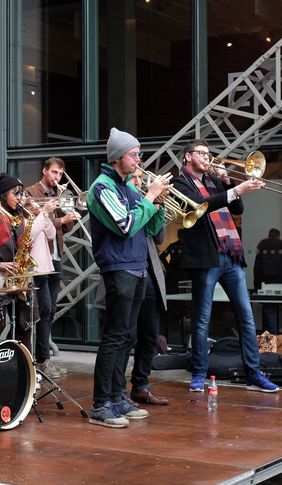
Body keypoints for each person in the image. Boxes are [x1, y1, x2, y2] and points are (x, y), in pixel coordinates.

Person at [170, 140, 279, 394]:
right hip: (207, 258)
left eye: (209, 154)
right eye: (202, 154)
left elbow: (236, 207)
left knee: (246, 317)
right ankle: (199, 374)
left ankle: (254, 373)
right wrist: (236, 190)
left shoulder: (213, 180)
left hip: (231, 255)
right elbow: (202, 205)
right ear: (188, 157)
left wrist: (229, 181)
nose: (208, 158)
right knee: (201, 319)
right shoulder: (180, 183)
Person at [85, 128, 167, 428]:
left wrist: (158, 205)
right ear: (119, 156)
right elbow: (126, 224)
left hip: (137, 266)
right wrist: (150, 196)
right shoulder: (102, 187)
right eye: (134, 154)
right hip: (118, 268)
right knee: (115, 336)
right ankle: (100, 403)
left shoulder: (128, 187)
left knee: (128, 336)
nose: (139, 159)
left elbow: (151, 231)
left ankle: (118, 397)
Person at [0, 173, 53, 350]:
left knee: (24, 326)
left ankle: (24, 365)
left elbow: (38, 238)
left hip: (20, 280)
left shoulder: (20, 217)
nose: (21, 198)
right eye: (16, 194)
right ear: (3, 195)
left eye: (22, 194)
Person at [25, 157, 78, 377]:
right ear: (45, 171)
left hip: (56, 258)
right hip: (39, 260)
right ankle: (40, 360)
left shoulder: (58, 195)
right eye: (54, 173)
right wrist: (62, 218)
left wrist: (68, 211)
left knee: (51, 310)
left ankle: (44, 359)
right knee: (43, 309)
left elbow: (66, 227)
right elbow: (37, 224)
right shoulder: (31, 193)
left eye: (60, 174)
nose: (57, 177)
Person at [124, 168, 170, 406]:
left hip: (149, 267)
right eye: (136, 179)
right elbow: (130, 227)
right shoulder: (123, 197)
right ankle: (117, 390)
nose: (140, 183)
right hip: (128, 268)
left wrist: (159, 205)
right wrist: (149, 199)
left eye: (142, 180)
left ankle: (140, 386)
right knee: (126, 335)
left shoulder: (144, 200)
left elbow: (157, 235)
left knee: (150, 334)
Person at [253, 228, 282, 332]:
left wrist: (257, 287)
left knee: (268, 310)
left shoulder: (262, 252)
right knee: (274, 311)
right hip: (280, 286)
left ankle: (268, 336)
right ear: (279, 236)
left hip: (264, 286)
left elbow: (256, 270)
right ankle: (274, 337)